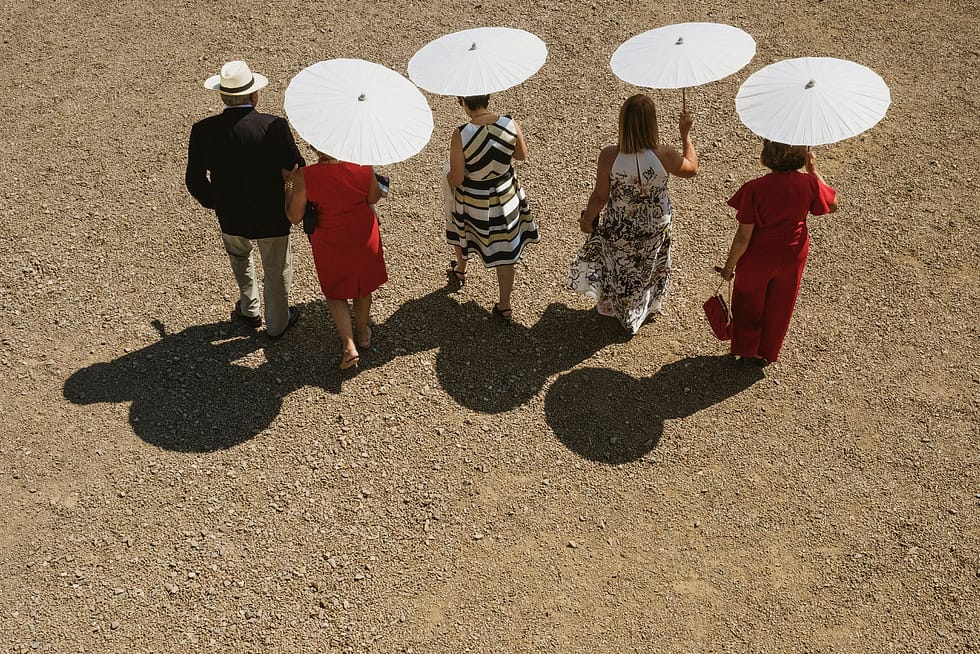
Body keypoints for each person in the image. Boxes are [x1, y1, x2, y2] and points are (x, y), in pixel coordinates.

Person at [186, 60, 304, 337]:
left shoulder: (203, 130)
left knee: (239, 257)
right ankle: (277, 323)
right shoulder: (274, 126)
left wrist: (215, 201)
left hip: (231, 213)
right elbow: (297, 167)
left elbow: (194, 180)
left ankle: (250, 308)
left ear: (223, 96)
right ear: (254, 95)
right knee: (276, 267)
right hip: (272, 213)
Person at [568, 94, 698, 334]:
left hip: (620, 225)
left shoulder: (609, 156)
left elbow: (600, 196)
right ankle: (643, 307)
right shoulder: (665, 154)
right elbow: (692, 169)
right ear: (652, 123)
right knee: (649, 266)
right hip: (655, 224)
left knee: (619, 267)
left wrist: (587, 220)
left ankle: (617, 307)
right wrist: (685, 135)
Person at [715, 140, 838, 365]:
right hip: (793, 252)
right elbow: (833, 205)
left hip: (758, 255)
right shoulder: (809, 183)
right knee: (781, 303)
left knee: (748, 301)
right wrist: (813, 171)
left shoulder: (754, 188)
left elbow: (743, 236)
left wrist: (729, 266)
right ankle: (766, 352)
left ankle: (747, 349)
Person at [282, 152, 386, 370]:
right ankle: (363, 334)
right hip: (363, 235)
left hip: (330, 240)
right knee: (362, 288)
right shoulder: (362, 164)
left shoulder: (305, 176)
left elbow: (294, 216)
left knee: (335, 291)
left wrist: (288, 184)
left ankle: (349, 346)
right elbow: (373, 198)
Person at [444, 95, 539, 323]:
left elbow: (457, 178)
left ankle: (461, 268)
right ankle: (504, 305)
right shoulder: (508, 122)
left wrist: (446, 174)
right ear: (487, 98)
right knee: (506, 252)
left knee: (461, 229)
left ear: (464, 102)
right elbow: (521, 155)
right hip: (506, 195)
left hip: (475, 199)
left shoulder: (461, 134)